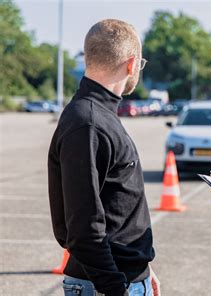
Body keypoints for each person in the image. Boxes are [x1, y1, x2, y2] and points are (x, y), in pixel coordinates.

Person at [48, 19, 159, 296]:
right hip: (104, 286)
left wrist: (143, 267)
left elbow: (115, 208)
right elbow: (83, 228)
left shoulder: (99, 115)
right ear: (132, 64)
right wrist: (116, 289)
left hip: (124, 277)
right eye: (141, 65)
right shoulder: (88, 123)